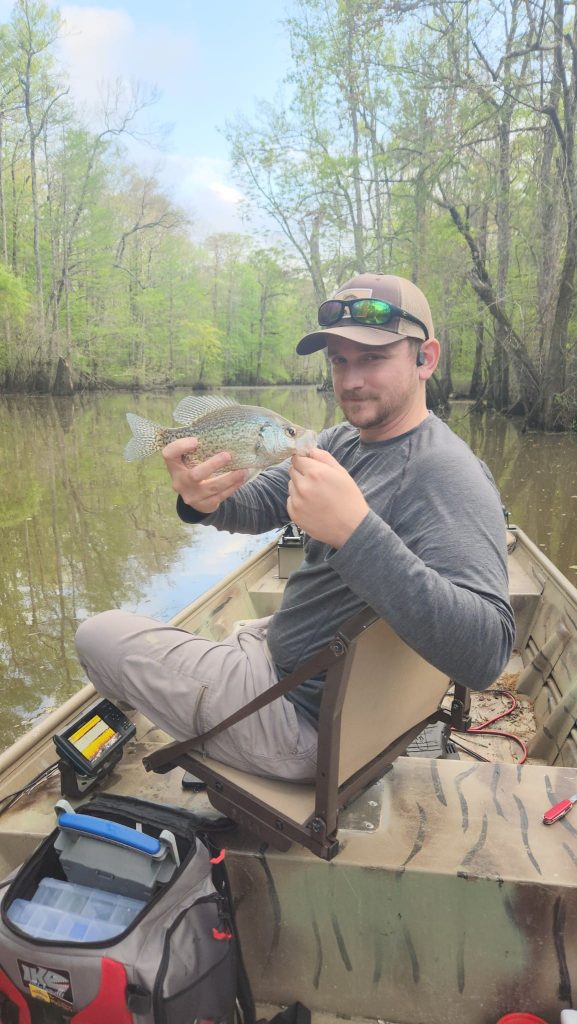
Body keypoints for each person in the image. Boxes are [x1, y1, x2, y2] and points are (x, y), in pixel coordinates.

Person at [75, 273, 515, 782]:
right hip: (296, 666)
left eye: (373, 358)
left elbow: (487, 654)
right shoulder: (348, 439)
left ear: (426, 358)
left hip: (301, 722)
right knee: (225, 633)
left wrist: (354, 532)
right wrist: (203, 499)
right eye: (339, 360)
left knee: (97, 634)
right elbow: (261, 502)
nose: (350, 380)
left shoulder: (446, 475)